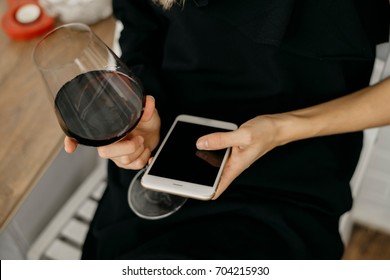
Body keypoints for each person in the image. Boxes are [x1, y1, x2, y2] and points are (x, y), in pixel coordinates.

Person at [65, 0, 390, 259]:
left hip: (296, 160)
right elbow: (142, 28)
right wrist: (141, 109)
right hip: (167, 148)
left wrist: (282, 129)